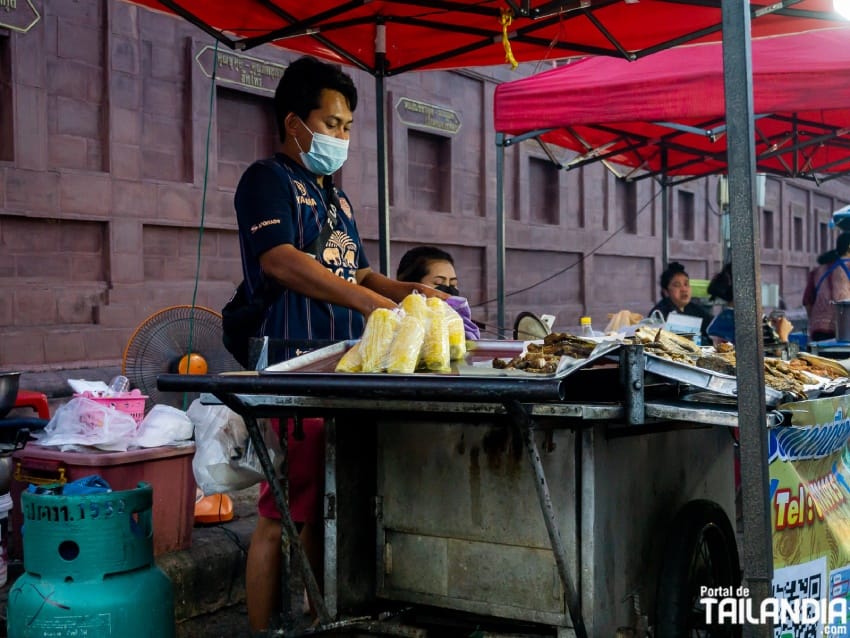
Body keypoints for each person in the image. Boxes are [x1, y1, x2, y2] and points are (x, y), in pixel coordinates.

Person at [234, 56, 471, 633]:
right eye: (332, 123)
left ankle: (322, 619)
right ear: (294, 122)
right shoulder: (267, 181)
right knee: (279, 513)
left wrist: (406, 290)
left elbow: (360, 274)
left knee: (323, 506)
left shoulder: (335, 199)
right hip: (291, 361)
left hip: (338, 367)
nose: (341, 136)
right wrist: (367, 303)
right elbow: (280, 260)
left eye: (347, 127)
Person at [805, 232, 850, 342]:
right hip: (845, 331)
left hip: (818, 330)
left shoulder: (818, 270)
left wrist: (815, 321)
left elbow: (807, 302)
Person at [648, 262, 712, 337]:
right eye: (677, 285)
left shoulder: (696, 309)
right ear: (666, 292)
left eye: (686, 284)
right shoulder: (659, 314)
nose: (684, 289)